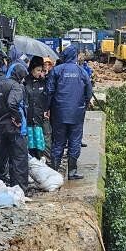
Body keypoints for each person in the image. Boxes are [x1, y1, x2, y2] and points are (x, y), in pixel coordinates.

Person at [43, 46, 92, 179]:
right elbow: (89, 92)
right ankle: (72, 172)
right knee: (75, 141)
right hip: (77, 113)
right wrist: (83, 106)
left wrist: (47, 109)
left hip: (59, 113)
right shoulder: (82, 72)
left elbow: (49, 91)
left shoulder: (57, 71)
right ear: (75, 57)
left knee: (58, 141)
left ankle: (54, 170)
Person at [0, 63, 29, 192]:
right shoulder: (17, 86)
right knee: (19, 159)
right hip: (14, 129)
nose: (24, 79)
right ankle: (19, 189)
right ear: (19, 75)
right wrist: (17, 119)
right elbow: (12, 103)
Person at [24, 56, 46, 160]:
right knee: (29, 145)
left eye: (41, 70)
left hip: (39, 117)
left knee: (39, 144)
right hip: (27, 117)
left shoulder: (44, 82)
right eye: (37, 70)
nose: (39, 73)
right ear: (32, 69)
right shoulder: (25, 81)